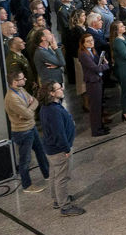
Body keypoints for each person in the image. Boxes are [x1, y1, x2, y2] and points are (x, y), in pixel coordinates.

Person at [38, 80, 83, 216]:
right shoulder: (53, 111)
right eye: (59, 88)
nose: (62, 89)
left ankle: (57, 200)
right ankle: (65, 207)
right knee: (62, 177)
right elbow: (59, 133)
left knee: (54, 175)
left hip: (51, 148)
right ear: (52, 93)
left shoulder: (49, 107)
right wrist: (66, 149)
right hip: (59, 150)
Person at [4, 69, 50, 193]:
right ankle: (27, 186)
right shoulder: (12, 98)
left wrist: (30, 107)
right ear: (14, 82)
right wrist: (29, 109)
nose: (25, 79)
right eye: (22, 78)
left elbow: (35, 101)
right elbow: (28, 114)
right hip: (22, 132)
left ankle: (48, 174)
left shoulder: (21, 90)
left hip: (31, 127)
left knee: (41, 152)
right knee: (25, 160)